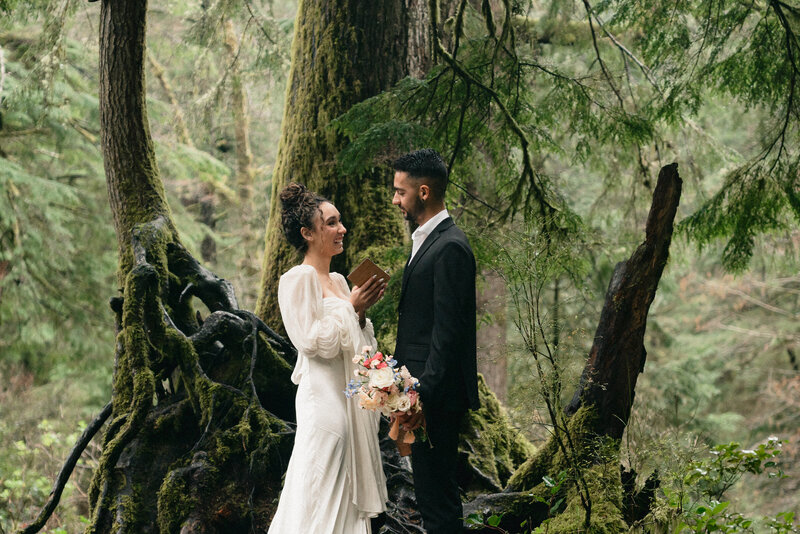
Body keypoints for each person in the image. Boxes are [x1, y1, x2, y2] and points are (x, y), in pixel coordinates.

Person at [268, 182, 388, 534]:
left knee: (348, 494)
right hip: (323, 405)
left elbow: (360, 345)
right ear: (307, 233)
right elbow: (312, 341)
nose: (342, 229)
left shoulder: (338, 280)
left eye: (340, 222)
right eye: (332, 223)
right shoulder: (296, 279)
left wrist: (361, 313)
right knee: (318, 490)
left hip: (349, 400)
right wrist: (350, 308)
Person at [391, 149, 480, 533]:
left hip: (435, 399)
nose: (395, 200)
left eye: (400, 192)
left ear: (423, 192)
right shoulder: (426, 241)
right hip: (420, 392)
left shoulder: (451, 247)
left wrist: (422, 394)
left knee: (439, 503)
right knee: (429, 499)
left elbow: (448, 333)